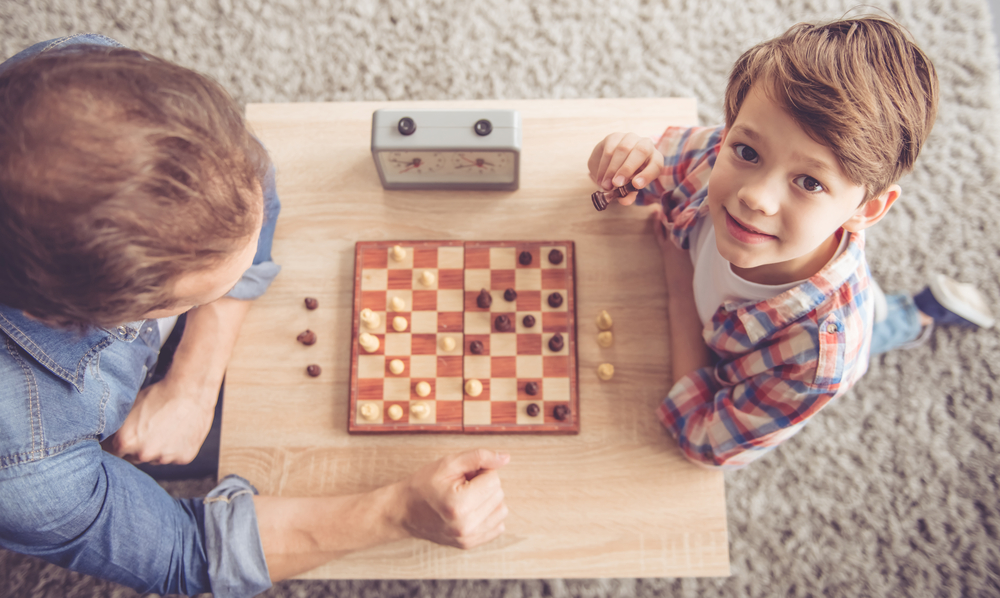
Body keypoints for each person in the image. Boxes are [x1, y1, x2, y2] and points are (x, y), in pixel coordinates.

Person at [0, 35, 508, 597]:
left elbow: (252, 187)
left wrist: (193, 383)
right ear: (95, 317)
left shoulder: (81, 83)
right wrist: (398, 512)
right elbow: (181, 553)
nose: (249, 251)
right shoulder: (24, 463)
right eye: (196, 296)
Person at [587, 16, 994, 469]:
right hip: (819, 290)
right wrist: (621, 160)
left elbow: (703, 440)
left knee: (880, 325)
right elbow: (644, 180)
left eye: (809, 181)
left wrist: (679, 286)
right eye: (747, 152)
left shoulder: (818, 364)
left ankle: (917, 315)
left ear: (868, 209)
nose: (755, 197)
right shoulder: (720, 150)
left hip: (831, 321)